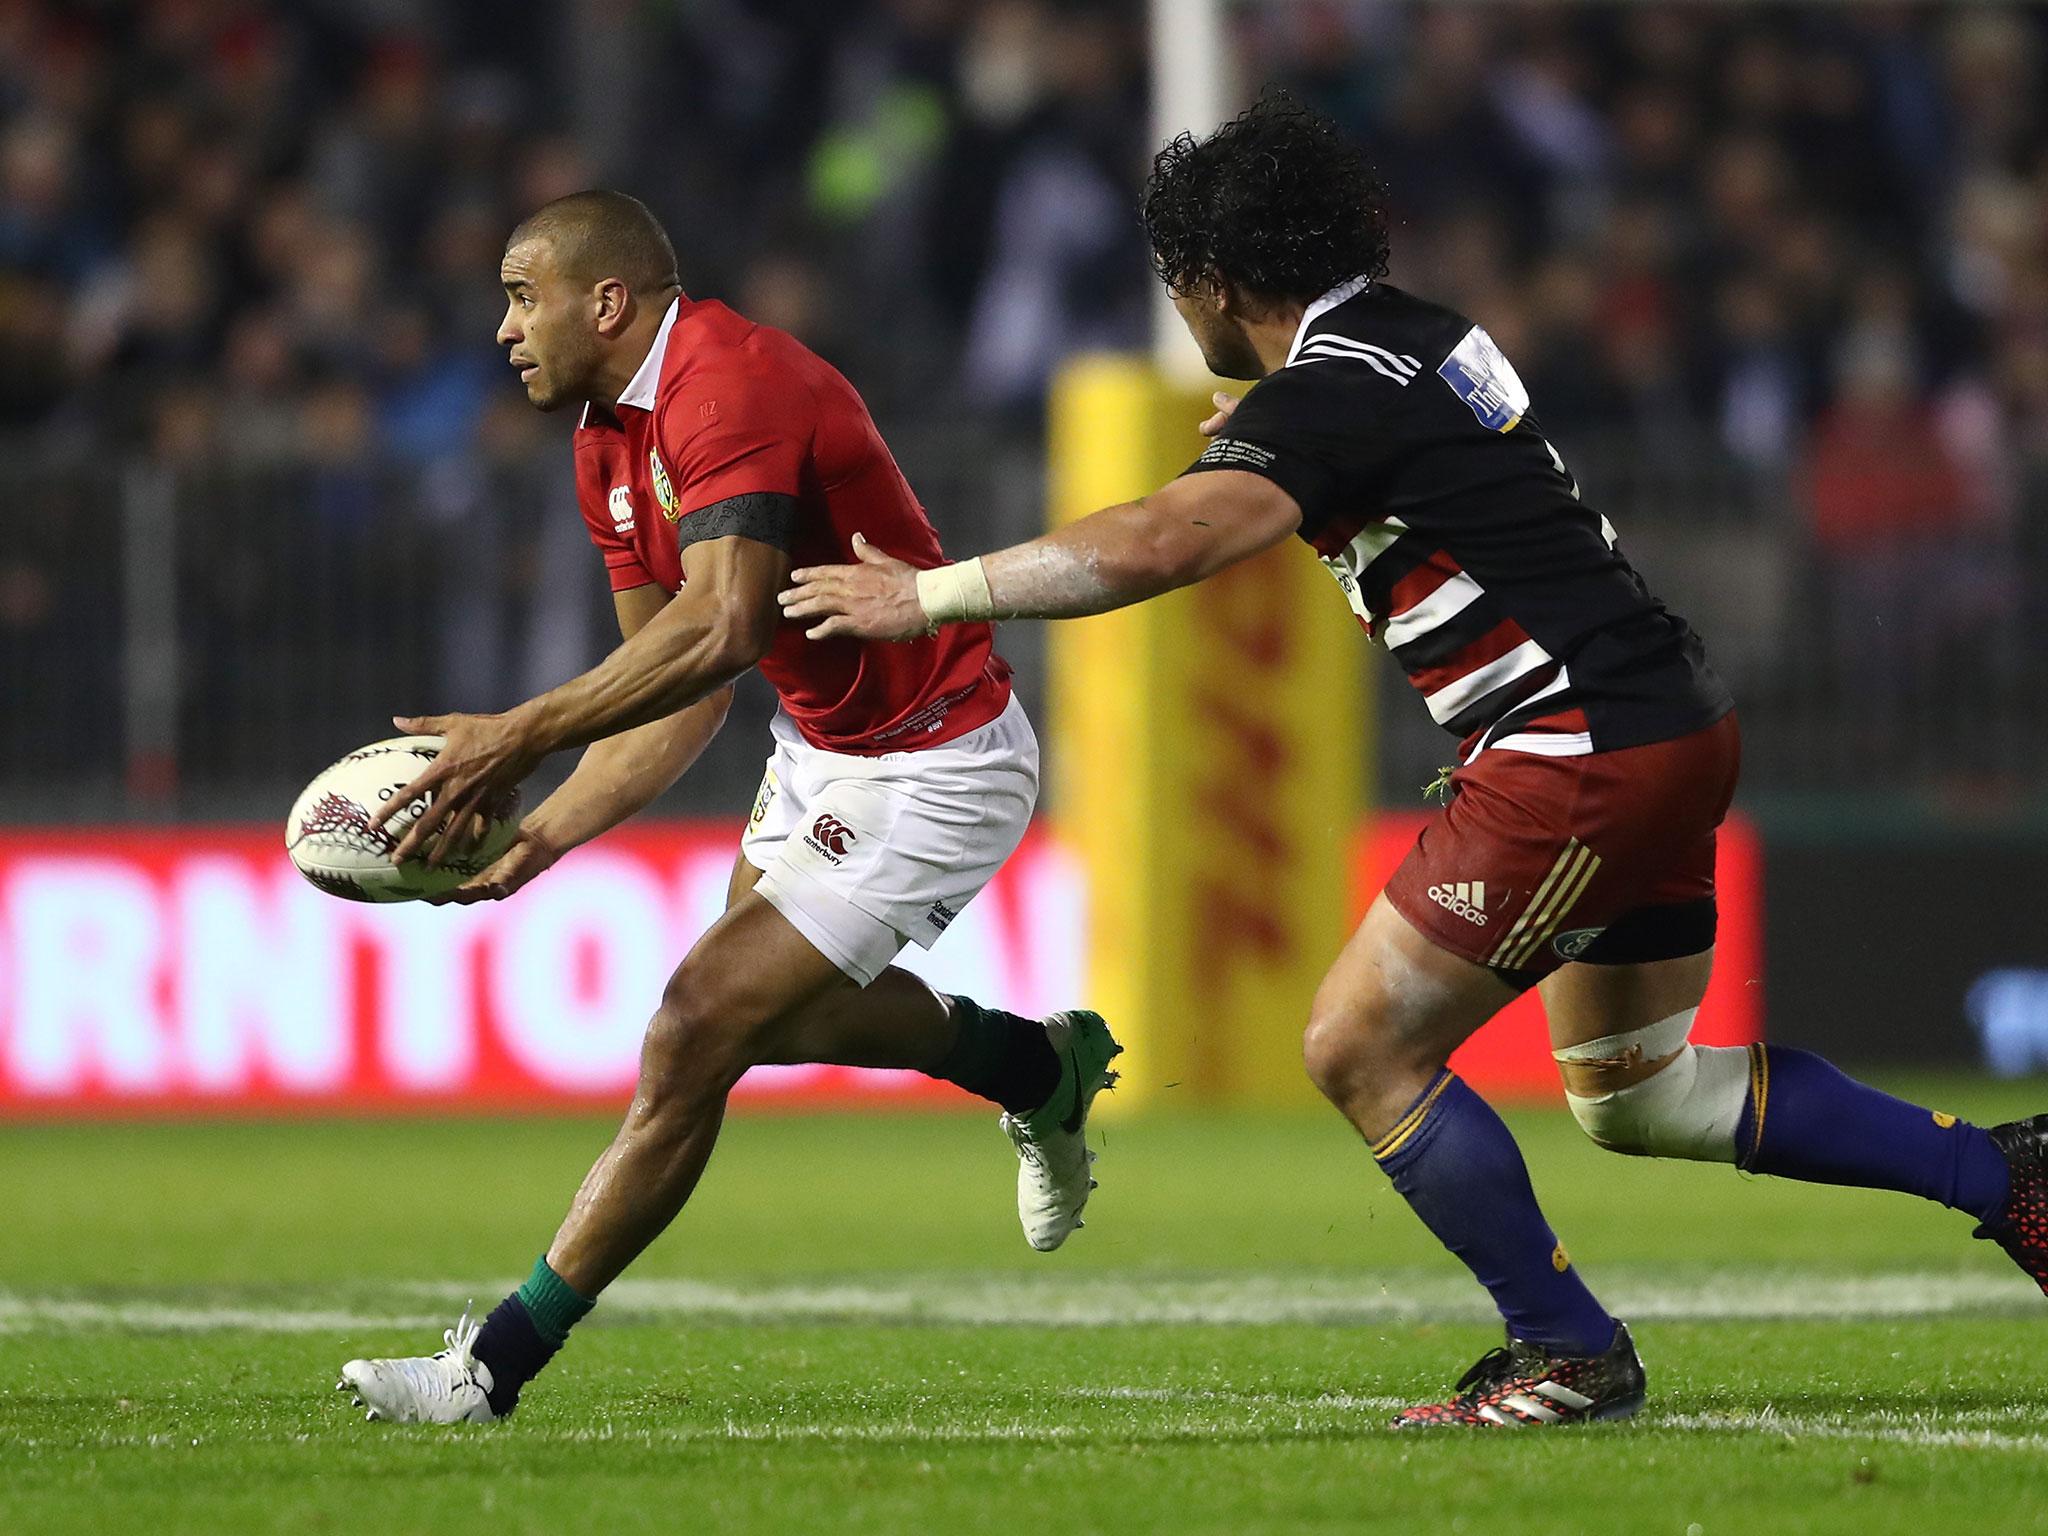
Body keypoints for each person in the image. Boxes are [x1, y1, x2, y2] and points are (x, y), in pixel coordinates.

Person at [781, 93, 2048, 1429]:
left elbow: (1166, 540)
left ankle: (1566, 1348)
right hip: (1666, 717)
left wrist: (931, 595)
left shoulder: (1330, 396)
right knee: (1640, 1090)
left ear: (1211, 283)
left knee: (1358, 1045)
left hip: (1578, 747)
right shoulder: (1418, 338)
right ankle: (2009, 1177)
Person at [334, 190, 1120, 1425]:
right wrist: (541, 832)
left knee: (694, 1026)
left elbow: (724, 625)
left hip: (936, 754)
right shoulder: (607, 436)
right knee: (772, 1026)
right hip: (818, 747)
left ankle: (488, 1371)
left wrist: (516, 735)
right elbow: (678, 695)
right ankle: (1036, 1065)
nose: (501, 328)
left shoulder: (725, 381)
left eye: (519, 294)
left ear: (606, 300)